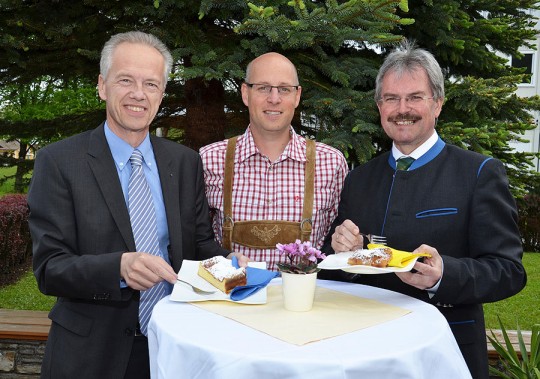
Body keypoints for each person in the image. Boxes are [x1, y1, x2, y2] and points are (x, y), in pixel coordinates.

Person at [27, 31, 245, 379]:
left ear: (161, 93)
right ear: (102, 85)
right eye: (125, 80)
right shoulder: (60, 161)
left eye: (151, 84)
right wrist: (119, 267)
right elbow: (50, 268)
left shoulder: (185, 162)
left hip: (173, 347)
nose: (138, 94)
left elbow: (199, 245)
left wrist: (231, 267)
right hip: (91, 355)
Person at [322, 40, 526, 379]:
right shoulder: (358, 179)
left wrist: (444, 274)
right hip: (364, 351)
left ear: (438, 104)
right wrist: (344, 253)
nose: (403, 109)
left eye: (415, 97)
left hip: (445, 353)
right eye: (391, 98)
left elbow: (508, 271)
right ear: (379, 105)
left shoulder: (478, 173)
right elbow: (337, 273)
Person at [200, 52, 348, 271]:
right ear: (245, 93)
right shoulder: (210, 159)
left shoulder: (331, 163)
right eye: (263, 88)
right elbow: (196, 243)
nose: (274, 99)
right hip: (231, 301)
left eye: (284, 89)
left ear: (297, 96)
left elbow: (339, 247)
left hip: (305, 302)